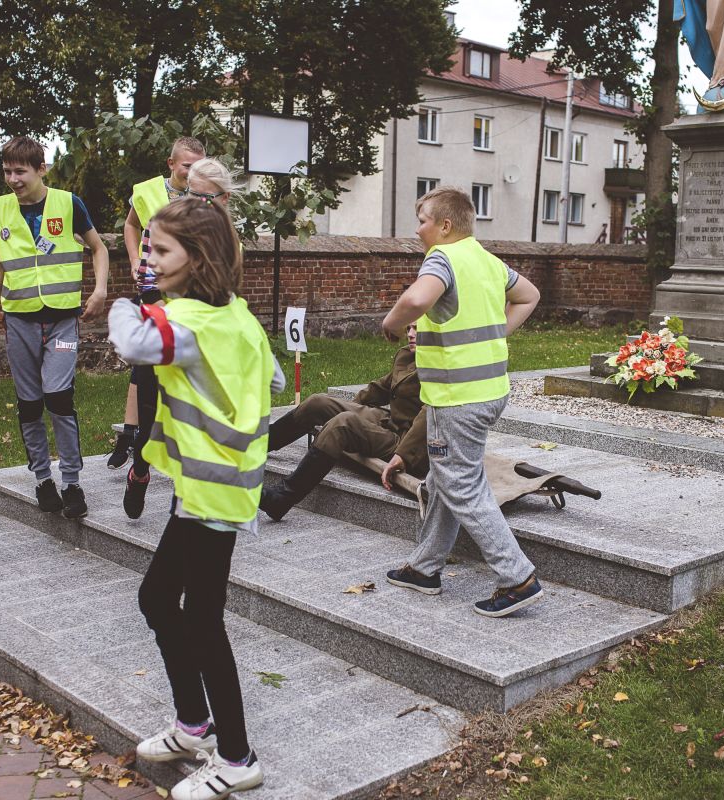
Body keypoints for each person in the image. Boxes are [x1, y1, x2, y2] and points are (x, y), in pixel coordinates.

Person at [108, 197, 281, 800]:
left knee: (203, 619)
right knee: (158, 597)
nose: (148, 260)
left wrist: (128, 300)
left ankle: (237, 758)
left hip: (214, 493)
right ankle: (193, 725)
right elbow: (273, 377)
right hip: (212, 488)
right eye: (147, 249)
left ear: (198, 257)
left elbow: (132, 343)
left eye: (160, 250)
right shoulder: (235, 315)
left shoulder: (188, 324)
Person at [382, 187, 543, 618]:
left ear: (445, 225)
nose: (418, 230)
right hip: (489, 392)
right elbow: (529, 295)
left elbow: (417, 299)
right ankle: (424, 567)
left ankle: (518, 577)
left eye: (422, 221)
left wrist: (391, 324)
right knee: (446, 476)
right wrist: (497, 333)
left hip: (458, 398)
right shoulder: (487, 261)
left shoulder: (442, 258)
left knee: (461, 484)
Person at [0, 136, 109, 519]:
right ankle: (42, 479)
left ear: (41, 169)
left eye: (20, 171)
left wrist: (100, 290)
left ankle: (72, 482)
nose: (13, 179)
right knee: (30, 404)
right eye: (7, 171)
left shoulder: (69, 204)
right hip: (19, 320)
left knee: (59, 397)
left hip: (63, 321)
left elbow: (99, 248)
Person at [121, 157, 241, 519]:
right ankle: (140, 471)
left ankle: (184, 505)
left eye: (203, 198)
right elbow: (147, 283)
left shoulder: (230, 243)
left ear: (223, 200)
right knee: (149, 424)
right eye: (189, 193)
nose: (192, 203)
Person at [260, 323, 428, 521]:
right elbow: (382, 388)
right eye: (408, 328)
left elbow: (431, 413)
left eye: (417, 329)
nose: (410, 334)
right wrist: (349, 407)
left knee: (342, 424)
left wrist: (402, 456)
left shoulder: (442, 367)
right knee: (317, 403)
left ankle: (282, 498)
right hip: (392, 422)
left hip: (410, 443)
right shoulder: (407, 356)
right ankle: (258, 446)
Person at [108, 136, 207, 471]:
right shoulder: (149, 191)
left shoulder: (203, 194)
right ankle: (132, 435)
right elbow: (131, 225)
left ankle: (156, 435)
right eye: (187, 166)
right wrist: (134, 259)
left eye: (199, 167)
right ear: (171, 164)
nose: (192, 173)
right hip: (153, 285)